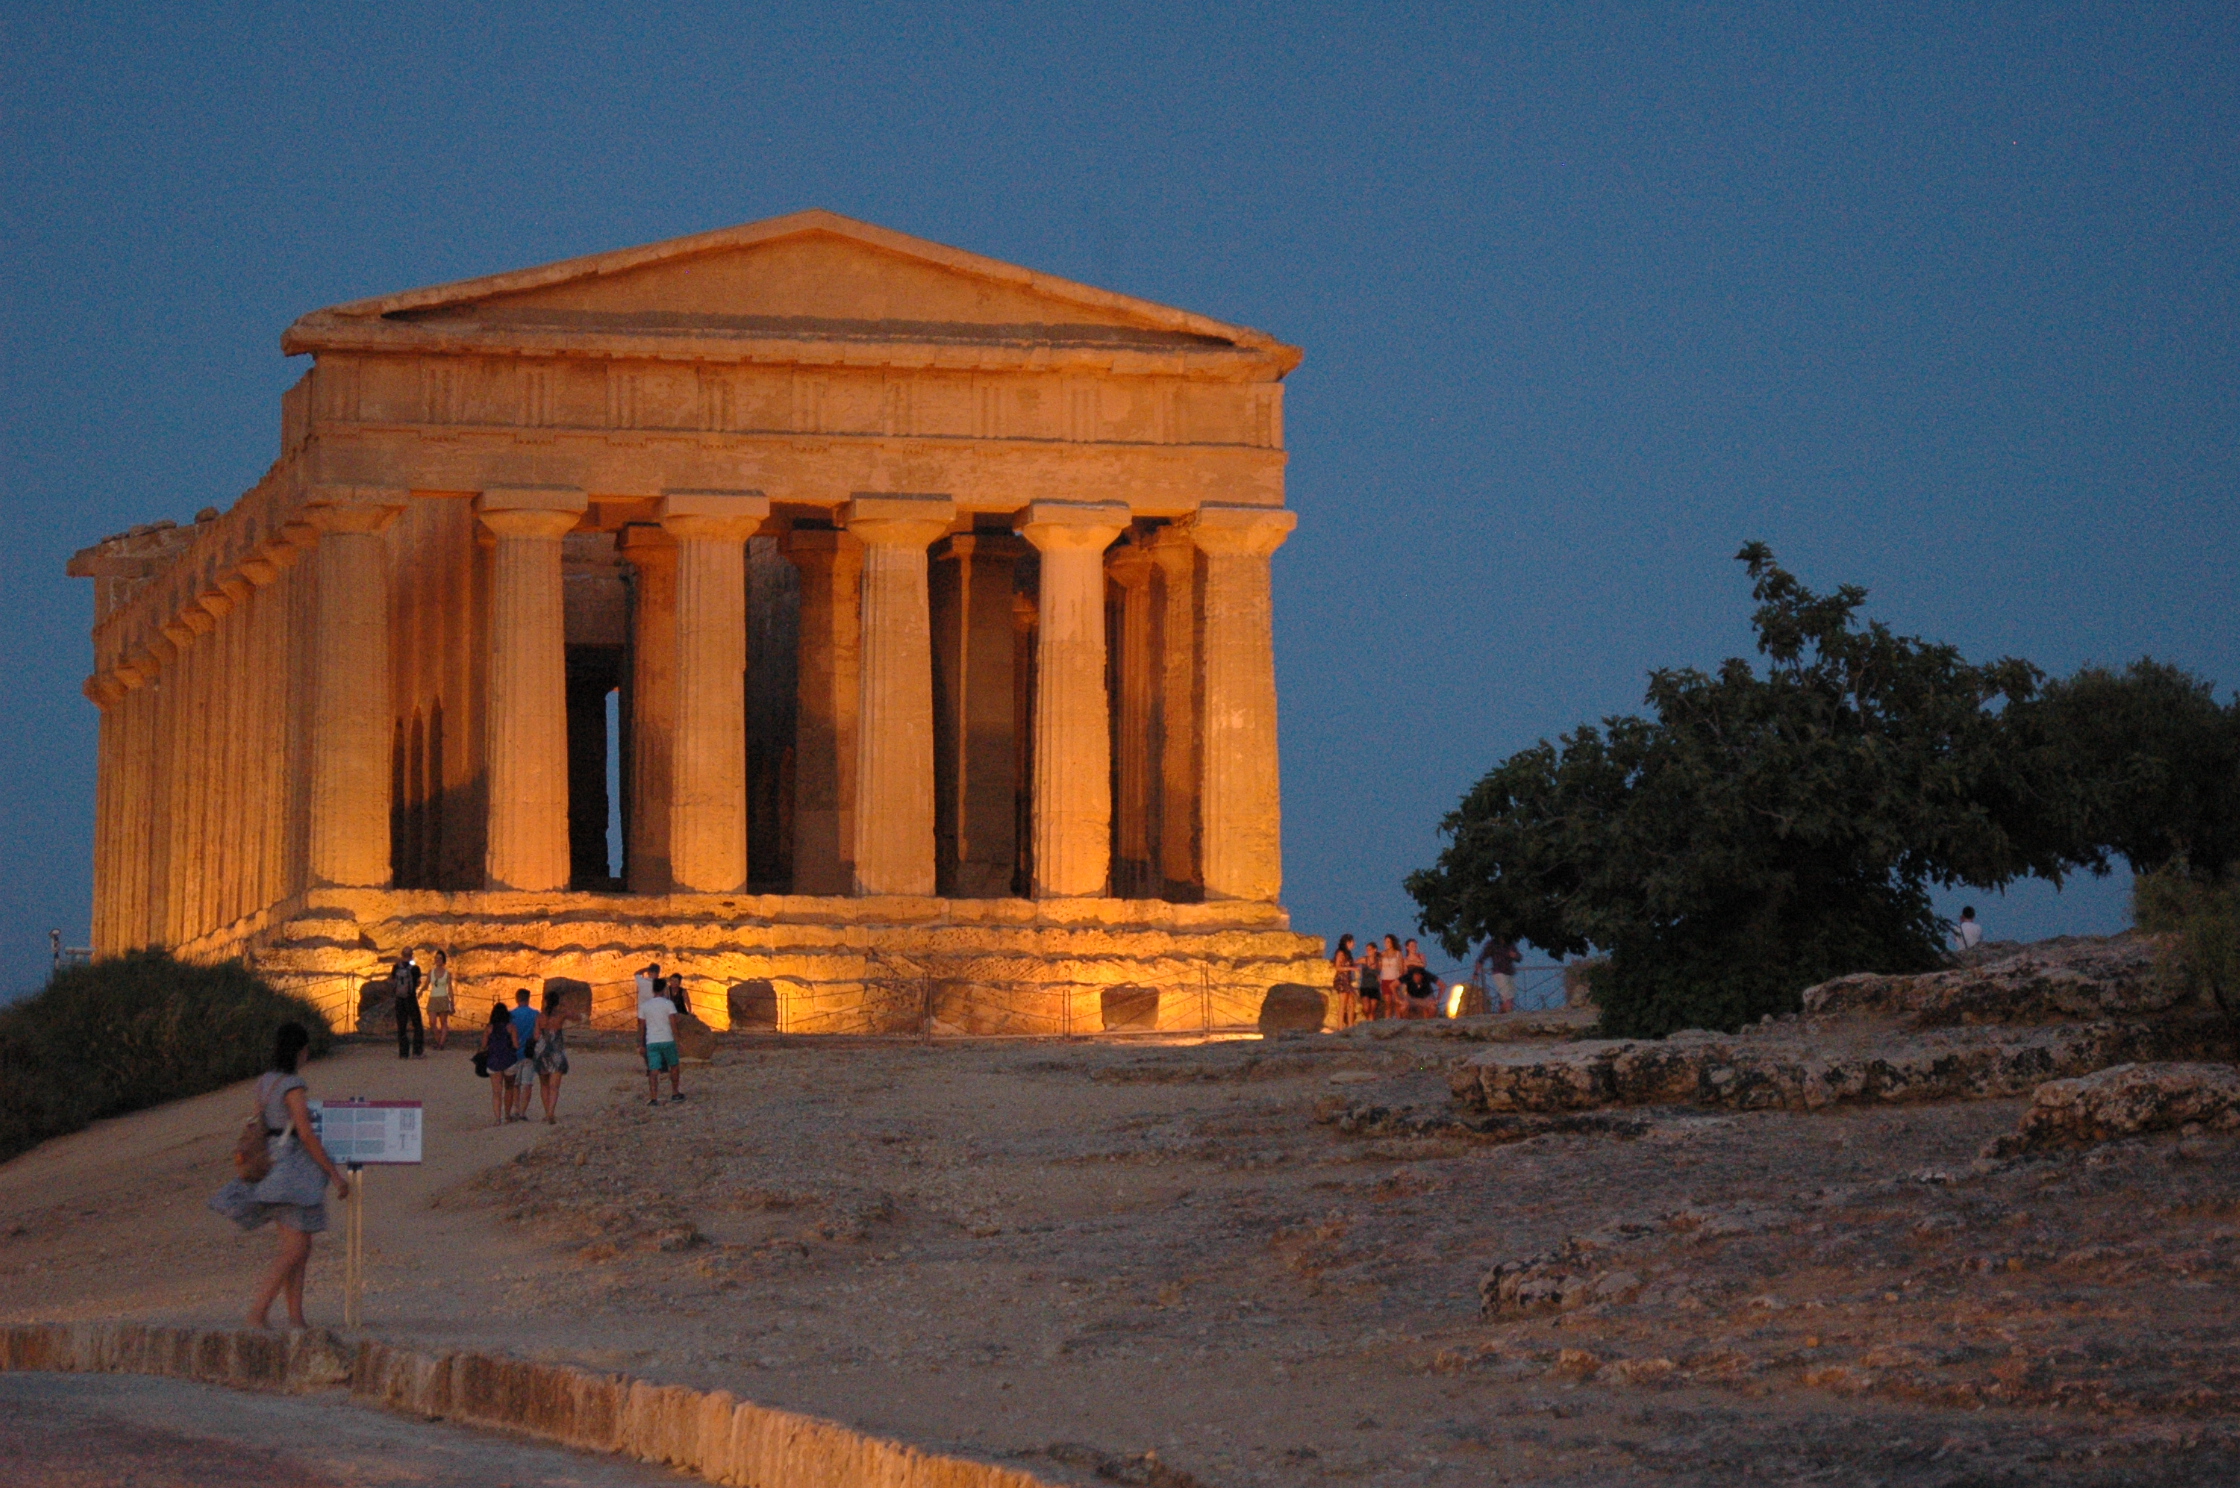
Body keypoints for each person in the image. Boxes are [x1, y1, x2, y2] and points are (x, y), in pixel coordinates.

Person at [208, 1022, 352, 1329]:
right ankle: (258, 1312)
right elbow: (306, 1134)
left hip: (271, 1162)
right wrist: (334, 1175)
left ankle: (296, 1319)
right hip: (291, 1170)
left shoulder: (266, 1082)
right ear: (300, 1050)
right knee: (296, 1249)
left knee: (299, 1248)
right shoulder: (293, 1085)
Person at [638, 975, 684, 1106]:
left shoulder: (644, 1006)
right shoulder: (668, 1004)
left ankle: (654, 1098)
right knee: (674, 1065)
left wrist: (641, 1044)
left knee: (653, 1070)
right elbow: (673, 1024)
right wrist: (678, 1040)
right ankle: (675, 1093)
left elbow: (642, 1026)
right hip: (667, 1039)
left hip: (652, 1041)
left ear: (653, 990)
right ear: (664, 990)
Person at [533, 987, 574, 1124]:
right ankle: (551, 1112)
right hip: (556, 1050)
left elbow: (536, 1035)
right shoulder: (561, 1016)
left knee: (544, 1085)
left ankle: (547, 1113)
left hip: (542, 1051)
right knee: (554, 1086)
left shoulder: (540, 1017)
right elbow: (578, 1017)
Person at [481, 1003, 519, 1126]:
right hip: (509, 1060)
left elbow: (483, 1046)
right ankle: (507, 1115)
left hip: (494, 1061)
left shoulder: (489, 1028)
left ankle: (497, 1118)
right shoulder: (511, 1027)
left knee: (496, 1092)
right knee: (509, 1088)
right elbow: (516, 1045)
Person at [507, 990, 540, 1122]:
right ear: (528, 999)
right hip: (529, 1052)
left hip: (514, 1053)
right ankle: (522, 1112)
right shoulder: (535, 1014)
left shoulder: (510, 1015)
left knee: (515, 1083)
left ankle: (515, 1108)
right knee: (527, 1083)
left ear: (516, 999)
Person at [391, 952, 424, 1059]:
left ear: (401, 954)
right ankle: (417, 1052)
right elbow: (418, 982)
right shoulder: (415, 968)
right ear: (411, 955)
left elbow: (392, 981)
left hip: (399, 1000)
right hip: (411, 999)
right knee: (417, 1025)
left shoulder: (396, 967)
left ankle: (403, 1053)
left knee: (401, 1026)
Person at [1475, 938, 1521, 1013]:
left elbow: (1519, 957)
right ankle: (1509, 1012)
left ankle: (1501, 1013)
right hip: (1498, 971)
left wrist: (1515, 956)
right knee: (1506, 995)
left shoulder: (1510, 944)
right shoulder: (1492, 944)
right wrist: (1476, 973)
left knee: (1511, 995)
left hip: (1509, 972)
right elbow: (1482, 958)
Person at [425, 949, 455, 1050]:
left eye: (440, 958)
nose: (438, 960)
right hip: (433, 998)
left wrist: (452, 1002)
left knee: (443, 1022)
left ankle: (440, 1044)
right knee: (432, 1022)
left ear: (443, 960)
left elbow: (450, 988)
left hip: (443, 998)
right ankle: (439, 1041)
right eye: (436, 958)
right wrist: (420, 991)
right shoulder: (431, 972)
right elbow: (426, 984)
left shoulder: (447, 974)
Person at [1331, 934, 1358, 1028]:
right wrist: (1351, 968)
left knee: (1351, 1003)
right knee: (1343, 1004)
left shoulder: (1348, 954)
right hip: (1341, 980)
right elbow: (1338, 967)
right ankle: (1340, 1027)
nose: (1354, 944)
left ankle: (1350, 1026)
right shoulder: (1341, 953)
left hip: (1347, 981)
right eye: (1352, 942)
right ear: (1348, 942)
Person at [1379, 934, 1403, 1010]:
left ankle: (1398, 1019)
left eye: (1388, 942)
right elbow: (1379, 968)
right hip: (1385, 979)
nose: (1386, 944)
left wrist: (1399, 979)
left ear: (1392, 942)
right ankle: (1387, 1020)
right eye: (1385, 942)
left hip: (1395, 979)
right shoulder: (1382, 954)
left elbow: (1401, 968)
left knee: (1397, 1001)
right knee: (1388, 1002)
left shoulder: (1398, 953)